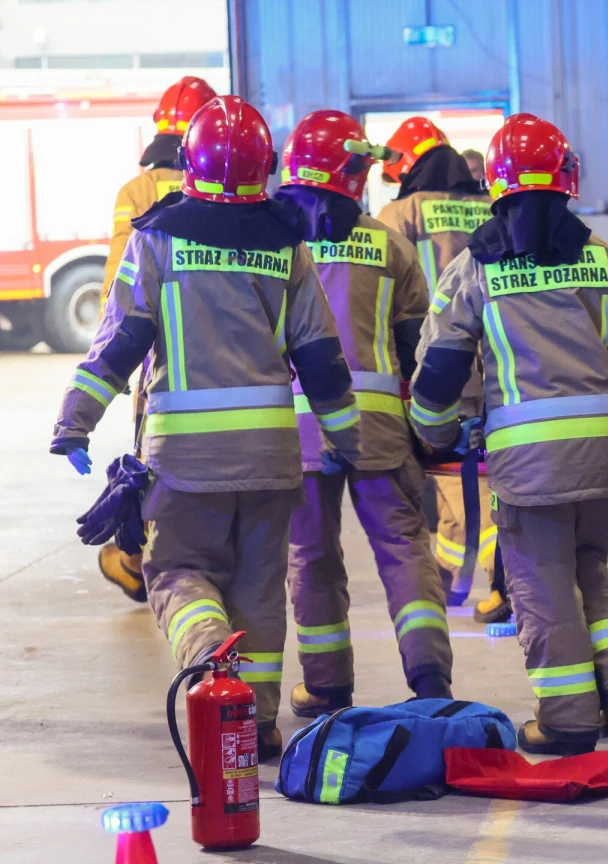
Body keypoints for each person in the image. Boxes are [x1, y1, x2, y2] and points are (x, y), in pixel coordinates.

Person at [51, 95, 359, 760]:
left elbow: (121, 340)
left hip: (186, 461)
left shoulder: (157, 238)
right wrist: (349, 438)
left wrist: (75, 419)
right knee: (258, 586)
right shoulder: (287, 246)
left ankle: (210, 666)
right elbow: (321, 357)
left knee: (176, 574)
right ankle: (260, 721)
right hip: (274, 459)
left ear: (189, 162)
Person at [409, 113, 608, 756]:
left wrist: (432, 433)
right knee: (589, 566)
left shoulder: (473, 269)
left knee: (540, 585)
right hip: (604, 459)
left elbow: (440, 369)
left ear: (498, 187)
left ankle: (569, 716)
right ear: (567, 182)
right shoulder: (607, 261)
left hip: (529, 467)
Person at [273, 110, 453, 716]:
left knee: (312, 556)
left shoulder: (272, 246)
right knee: (404, 547)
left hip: (294, 430)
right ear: (353, 175)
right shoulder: (392, 245)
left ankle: (326, 687)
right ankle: (429, 678)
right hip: (378, 427)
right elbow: (417, 350)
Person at [96, 75, 217, 604]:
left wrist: (111, 354)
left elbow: (118, 277)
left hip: (150, 348)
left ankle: (136, 555)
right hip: (217, 345)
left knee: (153, 450)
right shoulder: (224, 184)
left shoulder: (136, 192)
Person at [376, 117, 503, 620]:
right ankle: (453, 577)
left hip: (431, 363)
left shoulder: (399, 212)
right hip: (495, 362)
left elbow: (382, 289)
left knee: (451, 478)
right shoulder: (491, 206)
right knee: (472, 474)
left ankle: (502, 575)